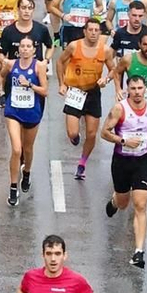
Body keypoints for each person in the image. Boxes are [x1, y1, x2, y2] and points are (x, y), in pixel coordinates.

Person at [103, 75, 147, 267]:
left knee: (140, 205)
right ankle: (115, 200)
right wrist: (123, 141)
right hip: (121, 161)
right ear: (128, 89)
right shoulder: (120, 109)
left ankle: (139, 252)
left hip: (142, 161)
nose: (137, 92)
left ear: (145, 90)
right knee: (123, 203)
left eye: (140, 88)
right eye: (134, 89)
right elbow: (104, 132)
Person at [57, 16, 111, 181]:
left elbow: (114, 70)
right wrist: (62, 84)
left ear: (100, 33)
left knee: (92, 133)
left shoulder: (105, 50)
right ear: (85, 31)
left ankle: (82, 163)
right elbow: (60, 62)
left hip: (93, 92)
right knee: (73, 133)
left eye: (96, 30)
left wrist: (106, 79)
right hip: (75, 92)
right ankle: (75, 138)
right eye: (90, 30)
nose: (93, 33)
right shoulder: (74, 46)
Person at [0, 32, 47, 209]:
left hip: (32, 112)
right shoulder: (11, 64)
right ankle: (12, 187)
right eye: (22, 47)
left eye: (29, 47)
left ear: (34, 50)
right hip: (14, 110)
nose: (25, 50)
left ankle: (26, 172)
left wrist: (30, 85)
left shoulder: (39, 66)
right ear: (18, 49)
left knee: (27, 149)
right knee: (16, 149)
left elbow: (45, 90)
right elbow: (1, 75)